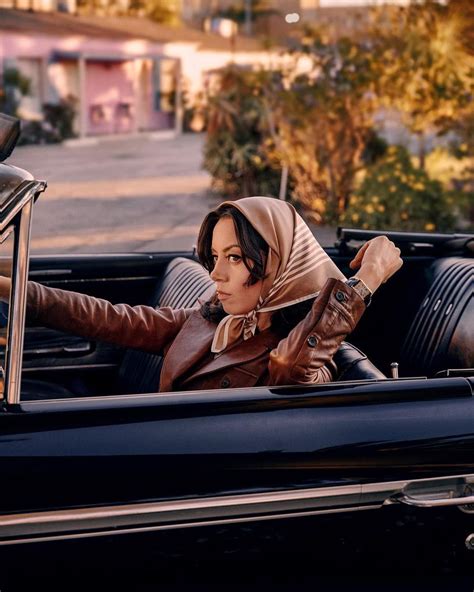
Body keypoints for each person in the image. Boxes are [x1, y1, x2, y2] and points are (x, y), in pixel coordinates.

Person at [0, 196, 402, 392]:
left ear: (282, 264)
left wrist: (365, 281)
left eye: (235, 257)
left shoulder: (302, 355)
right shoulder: (211, 320)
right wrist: (12, 289)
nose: (215, 273)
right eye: (214, 256)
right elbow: (107, 317)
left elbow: (290, 368)